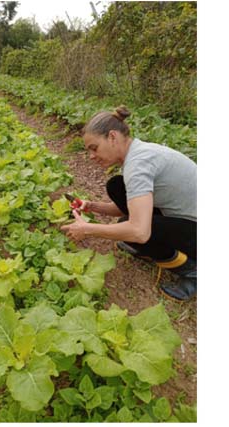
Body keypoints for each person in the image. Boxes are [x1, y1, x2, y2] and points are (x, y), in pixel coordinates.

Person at [61, 106, 197, 301]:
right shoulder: (138, 153)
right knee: (116, 187)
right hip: (186, 218)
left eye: (94, 148)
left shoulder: (138, 165)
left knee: (136, 233)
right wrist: (92, 206)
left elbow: (140, 231)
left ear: (112, 137)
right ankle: (157, 250)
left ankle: (193, 272)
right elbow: (136, 205)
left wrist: (88, 229)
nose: (91, 156)